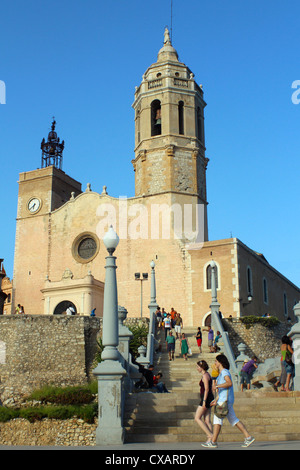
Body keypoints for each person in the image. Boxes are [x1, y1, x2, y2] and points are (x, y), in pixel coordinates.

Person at [202, 354, 255, 448]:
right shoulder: (222, 373)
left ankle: (213, 442)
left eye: (216, 361)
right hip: (224, 399)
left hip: (225, 400)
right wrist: (216, 399)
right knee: (234, 420)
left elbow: (229, 383)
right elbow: (224, 390)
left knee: (217, 420)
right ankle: (248, 437)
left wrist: (217, 386)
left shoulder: (224, 372)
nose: (215, 363)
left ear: (220, 362)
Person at [194, 360, 214, 444]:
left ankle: (210, 436)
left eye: (198, 367)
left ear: (202, 368)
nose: (197, 368)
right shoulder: (207, 374)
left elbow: (207, 389)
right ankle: (211, 440)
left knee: (197, 418)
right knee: (207, 420)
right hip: (208, 397)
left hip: (205, 398)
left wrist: (204, 401)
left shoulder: (205, 376)